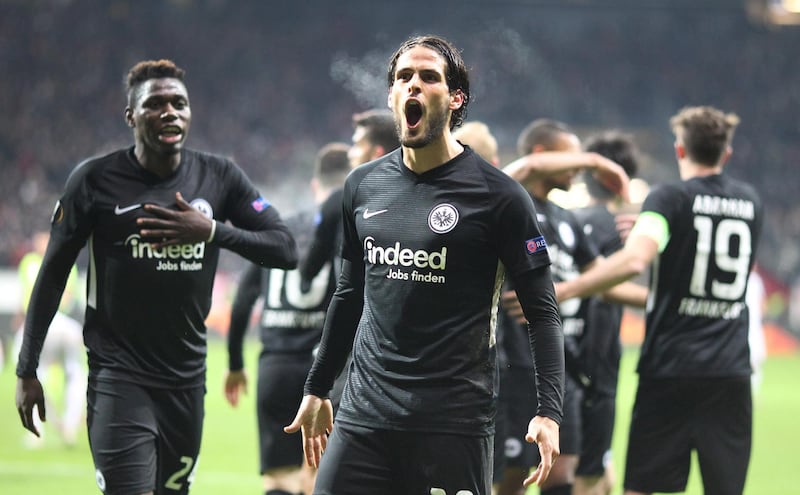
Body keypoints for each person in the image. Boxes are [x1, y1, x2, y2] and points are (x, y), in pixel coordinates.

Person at [284, 34, 565, 495]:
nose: (413, 85)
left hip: (452, 425)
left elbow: (543, 313)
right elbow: (348, 294)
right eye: (403, 77)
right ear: (392, 96)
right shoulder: (362, 187)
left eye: (429, 77)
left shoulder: (500, 197)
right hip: (364, 417)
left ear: (455, 99)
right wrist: (317, 387)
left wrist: (549, 412)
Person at [15, 59, 298, 495]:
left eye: (179, 103)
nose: (170, 112)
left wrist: (213, 231)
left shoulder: (219, 177)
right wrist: (26, 369)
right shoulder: (94, 181)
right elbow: (52, 276)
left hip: (185, 380)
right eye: (156, 104)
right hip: (118, 378)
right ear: (131, 116)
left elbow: (285, 248)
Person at [556, 106, 762, 495]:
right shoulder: (750, 202)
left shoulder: (668, 198)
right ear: (727, 154)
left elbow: (635, 259)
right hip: (731, 371)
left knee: (641, 487)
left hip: (671, 366)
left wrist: (564, 289)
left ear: (680, 151)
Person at [497, 119, 645, 495]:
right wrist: (596, 160)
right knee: (512, 480)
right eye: (572, 156)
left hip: (559, 369)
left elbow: (603, 284)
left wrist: (661, 302)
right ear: (542, 155)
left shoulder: (568, 221)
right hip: (511, 366)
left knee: (561, 474)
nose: (579, 166)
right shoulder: (508, 201)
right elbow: (524, 170)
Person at [224, 142, 351, 495]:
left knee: (278, 478)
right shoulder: (345, 229)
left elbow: (244, 300)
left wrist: (235, 362)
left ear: (314, 185)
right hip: (322, 369)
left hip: (275, 366)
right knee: (317, 475)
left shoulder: (280, 231)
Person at [571, 131, 641, 495]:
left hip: (561, 362)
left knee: (596, 475)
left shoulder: (566, 219)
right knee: (590, 479)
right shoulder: (617, 229)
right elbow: (610, 289)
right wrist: (663, 301)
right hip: (597, 368)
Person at [14, 229, 87, 447]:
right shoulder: (67, 262)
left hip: (37, 326)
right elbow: (67, 298)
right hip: (65, 324)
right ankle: (70, 425)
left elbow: (25, 298)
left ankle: (37, 430)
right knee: (75, 372)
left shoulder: (28, 263)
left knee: (33, 374)